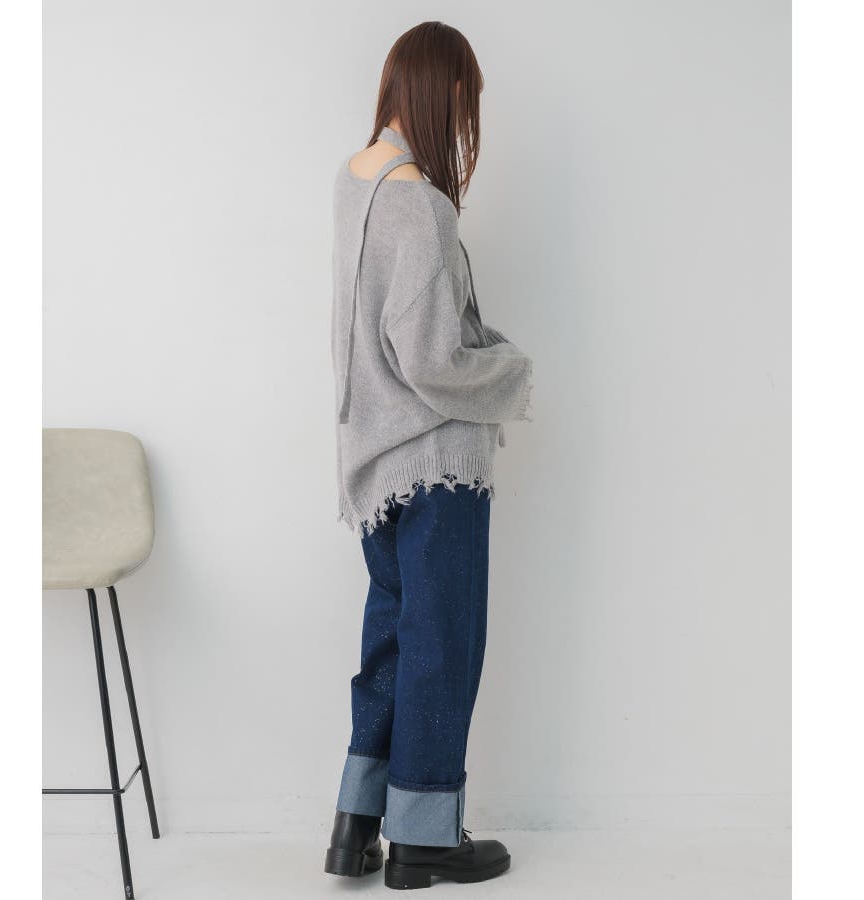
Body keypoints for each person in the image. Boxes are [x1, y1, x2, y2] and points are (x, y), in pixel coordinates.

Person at [325, 20, 534, 890]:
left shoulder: (356, 178)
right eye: (467, 100)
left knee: (393, 640)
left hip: (373, 460)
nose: (467, 119)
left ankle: (356, 827)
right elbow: (432, 360)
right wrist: (511, 369)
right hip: (435, 461)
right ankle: (423, 841)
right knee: (443, 642)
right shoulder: (418, 202)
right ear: (446, 92)